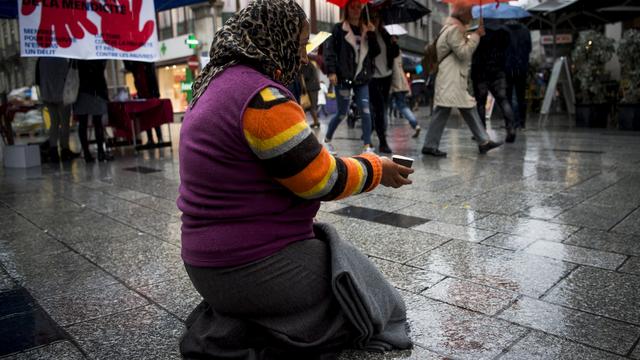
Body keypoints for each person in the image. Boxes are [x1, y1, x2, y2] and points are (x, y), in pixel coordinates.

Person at [177, 0, 413, 358]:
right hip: (245, 265)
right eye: (300, 44)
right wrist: (377, 168)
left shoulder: (213, 84)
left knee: (334, 251)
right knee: (366, 298)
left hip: (207, 264)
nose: (303, 57)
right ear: (276, 38)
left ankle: (248, 315)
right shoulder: (262, 98)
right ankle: (248, 327)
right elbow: (322, 179)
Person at [421, 3, 502, 157]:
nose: (471, 16)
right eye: (469, 13)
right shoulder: (454, 30)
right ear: (462, 13)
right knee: (444, 109)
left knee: (466, 107)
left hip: (452, 77)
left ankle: (483, 141)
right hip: (451, 78)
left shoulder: (451, 28)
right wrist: (476, 36)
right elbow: (464, 53)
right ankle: (429, 145)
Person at [323, 0, 380, 155]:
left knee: (366, 111)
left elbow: (376, 52)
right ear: (347, 9)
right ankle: (327, 140)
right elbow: (329, 52)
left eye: (358, 7)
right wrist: (331, 71)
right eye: (352, 7)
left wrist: (371, 34)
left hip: (361, 78)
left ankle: (367, 146)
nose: (356, 10)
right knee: (342, 112)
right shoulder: (338, 29)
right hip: (343, 78)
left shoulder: (366, 29)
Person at [471, 24, 516, 142]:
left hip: (481, 71)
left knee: (481, 103)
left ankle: (481, 132)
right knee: (503, 100)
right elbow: (508, 51)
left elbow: (473, 50)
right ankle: (511, 129)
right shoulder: (504, 33)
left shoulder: (480, 33)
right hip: (498, 71)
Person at [36, 57, 80, 162]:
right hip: (62, 96)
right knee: (65, 124)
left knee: (53, 123)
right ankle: (65, 150)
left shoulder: (41, 60)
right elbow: (69, 77)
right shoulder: (62, 59)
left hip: (48, 96)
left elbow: (37, 80)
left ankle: (53, 151)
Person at [368, 13, 399, 154]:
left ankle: (374, 129)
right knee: (379, 108)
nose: (376, 20)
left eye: (378, 18)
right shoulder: (367, 34)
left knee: (382, 108)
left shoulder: (386, 33)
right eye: (374, 17)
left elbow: (394, 54)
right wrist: (371, 34)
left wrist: (394, 43)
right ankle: (383, 141)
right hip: (372, 76)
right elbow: (374, 51)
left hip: (386, 75)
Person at [74, 60, 113, 162]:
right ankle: (100, 152)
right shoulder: (97, 56)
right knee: (98, 123)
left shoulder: (77, 57)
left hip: (81, 91)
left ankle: (87, 154)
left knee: (82, 124)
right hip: (97, 91)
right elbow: (101, 69)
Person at [123, 60, 164, 148]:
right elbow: (128, 67)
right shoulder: (136, 65)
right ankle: (150, 138)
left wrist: (155, 94)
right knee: (146, 118)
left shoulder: (147, 63)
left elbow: (152, 77)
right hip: (142, 95)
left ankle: (159, 137)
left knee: (154, 117)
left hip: (151, 94)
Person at [505, 20, 532, 129]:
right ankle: (521, 122)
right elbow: (529, 48)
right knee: (521, 97)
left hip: (507, 68)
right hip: (521, 68)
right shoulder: (525, 30)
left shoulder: (503, 30)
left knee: (508, 97)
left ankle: (509, 122)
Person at [390, 48, 421, 138]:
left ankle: (380, 131)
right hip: (401, 82)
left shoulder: (391, 50)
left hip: (393, 82)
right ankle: (415, 124)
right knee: (403, 106)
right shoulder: (400, 53)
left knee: (385, 106)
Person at [300, 60, 321, 128]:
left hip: (310, 88)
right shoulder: (310, 63)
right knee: (311, 106)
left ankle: (315, 122)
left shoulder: (305, 64)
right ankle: (315, 122)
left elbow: (306, 76)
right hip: (313, 87)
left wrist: (300, 74)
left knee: (309, 106)